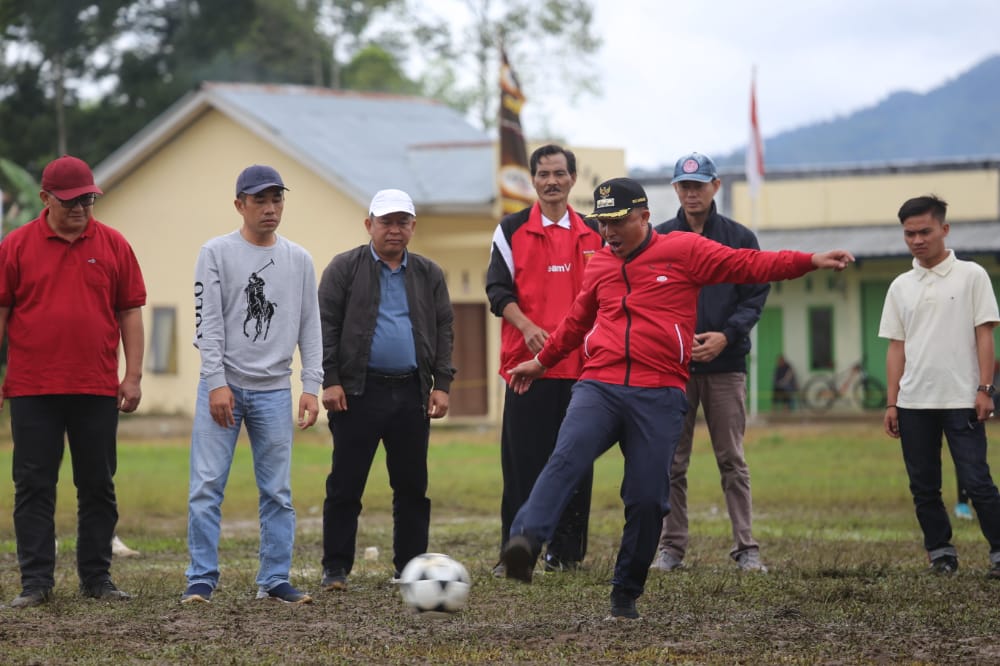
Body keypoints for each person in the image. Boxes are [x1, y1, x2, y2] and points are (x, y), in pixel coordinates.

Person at [500, 177, 854, 619]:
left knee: (649, 498)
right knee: (566, 458)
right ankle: (526, 543)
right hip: (600, 385)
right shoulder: (600, 265)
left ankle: (625, 591)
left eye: (617, 222)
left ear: (644, 217)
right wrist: (543, 361)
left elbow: (748, 264)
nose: (608, 233)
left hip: (659, 392)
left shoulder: (683, 250)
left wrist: (809, 261)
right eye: (602, 223)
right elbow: (576, 321)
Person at [0, 155, 146, 608]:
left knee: (98, 485)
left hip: (96, 386)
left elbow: (130, 312)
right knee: (34, 486)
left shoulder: (114, 244)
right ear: (45, 199)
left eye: (86, 198)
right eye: (69, 201)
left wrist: (133, 376)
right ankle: (36, 583)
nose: (80, 207)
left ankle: (96, 578)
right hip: (31, 387)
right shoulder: (16, 245)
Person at [182, 165, 323, 605]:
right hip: (222, 387)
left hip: (275, 390)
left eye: (276, 199)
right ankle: (201, 577)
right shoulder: (216, 252)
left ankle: (275, 578)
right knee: (206, 485)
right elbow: (207, 324)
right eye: (259, 200)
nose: (269, 208)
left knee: (278, 491)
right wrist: (216, 382)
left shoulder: (299, 259)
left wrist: (311, 384)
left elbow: (310, 326)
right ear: (239, 204)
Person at [318, 188, 455, 591]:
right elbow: (325, 326)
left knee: (412, 486)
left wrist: (441, 384)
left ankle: (411, 568)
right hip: (357, 393)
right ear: (369, 225)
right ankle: (336, 569)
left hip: (412, 392)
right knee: (345, 485)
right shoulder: (345, 268)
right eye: (386, 222)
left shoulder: (429, 273)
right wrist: (330, 379)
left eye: (402, 222)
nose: (394, 230)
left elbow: (445, 328)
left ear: (413, 226)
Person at [486, 144, 604, 575]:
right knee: (523, 465)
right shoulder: (510, 229)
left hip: (585, 371)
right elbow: (498, 292)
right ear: (532, 180)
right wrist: (527, 326)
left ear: (573, 179)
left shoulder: (596, 232)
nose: (551, 181)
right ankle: (514, 553)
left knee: (577, 462)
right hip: (527, 369)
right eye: (543, 174)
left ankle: (566, 554)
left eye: (559, 173)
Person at [651, 152, 771, 574]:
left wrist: (726, 335)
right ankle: (671, 547)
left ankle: (746, 546)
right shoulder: (659, 239)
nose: (691, 193)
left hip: (726, 365)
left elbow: (755, 295)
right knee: (671, 461)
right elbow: (651, 299)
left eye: (698, 185)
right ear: (675, 190)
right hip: (673, 368)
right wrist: (675, 340)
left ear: (715, 186)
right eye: (683, 186)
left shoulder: (740, 238)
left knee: (731, 459)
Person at [879, 194, 1000, 579]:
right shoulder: (900, 286)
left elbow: (985, 336)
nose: (916, 240)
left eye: (924, 231)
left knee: (977, 481)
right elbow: (896, 347)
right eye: (909, 234)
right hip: (914, 402)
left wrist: (985, 388)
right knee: (924, 486)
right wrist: (891, 403)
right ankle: (941, 553)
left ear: (944, 230)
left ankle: (999, 551)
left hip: (962, 398)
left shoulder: (972, 276)